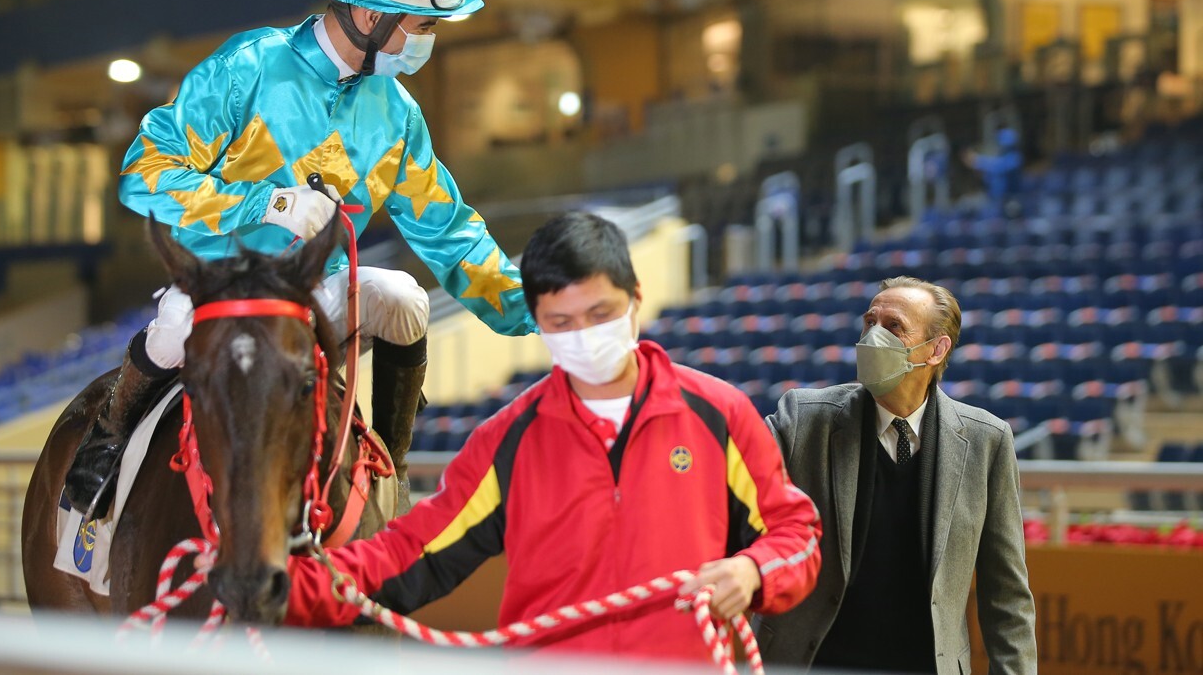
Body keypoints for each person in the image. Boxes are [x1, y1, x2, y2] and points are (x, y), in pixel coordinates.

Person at [64, 0, 536, 518]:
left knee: (404, 297)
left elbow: (449, 230)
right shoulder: (249, 65)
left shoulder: (398, 112)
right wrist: (269, 202)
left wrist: (535, 309)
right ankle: (108, 434)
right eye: (422, 26)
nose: (427, 41)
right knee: (177, 322)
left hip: (315, 290)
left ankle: (388, 475)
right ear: (370, 17)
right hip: (218, 281)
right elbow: (143, 175)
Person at [284, 212, 822, 660]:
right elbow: (407, 554)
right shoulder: (510, 441)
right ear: (537, 322)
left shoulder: (718, 415)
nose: (583, 335)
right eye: (560, 321)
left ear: (635, 299)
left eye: (600, 313)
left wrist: (753, 569)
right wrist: (281, 586)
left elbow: (795, 535)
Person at [758, 276, 1037, 674]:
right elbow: (735, 485)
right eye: (869, 322)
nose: (873, 336)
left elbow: (1007, 596)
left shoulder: (986, 441)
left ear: (936, 349)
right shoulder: (803, 418)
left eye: (893, 327)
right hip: (814, 662)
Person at [964, 125, 1023, 218]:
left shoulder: (1015, 158)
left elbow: (999, 167)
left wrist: (978, 160)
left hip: (1011, 200)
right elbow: (991, 176)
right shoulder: (1000, 157)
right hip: (994, 200)